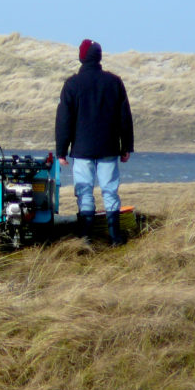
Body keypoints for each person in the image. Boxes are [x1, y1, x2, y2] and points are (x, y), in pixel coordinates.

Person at [55, 39, 134, 245]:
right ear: (99, 57)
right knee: (110, 190)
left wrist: (61, 151)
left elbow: (64, 119)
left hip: (82, 149)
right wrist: (126, 146)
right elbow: (124, 117)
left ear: (82, 58)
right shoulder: (114, 82)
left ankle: (86, 237)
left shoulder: (72, 84)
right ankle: (115, 237)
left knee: (84, 190)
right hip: (109, 147)